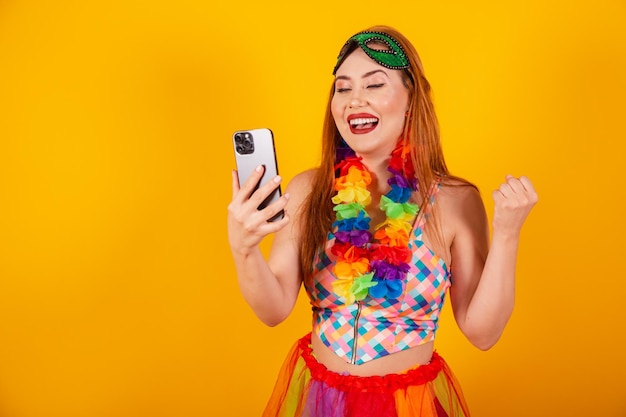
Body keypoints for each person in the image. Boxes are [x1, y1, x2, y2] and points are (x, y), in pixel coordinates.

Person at [227, 25, 537, 417]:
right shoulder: (309, 189)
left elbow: (483, 333)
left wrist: (508, 233)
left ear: (411, 100)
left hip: (409, 406)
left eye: (374, 85)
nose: (355, 99)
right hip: (322, 402)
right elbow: (272, 311)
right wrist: (244, 247)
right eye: (343, 87)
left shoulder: (456, 201)